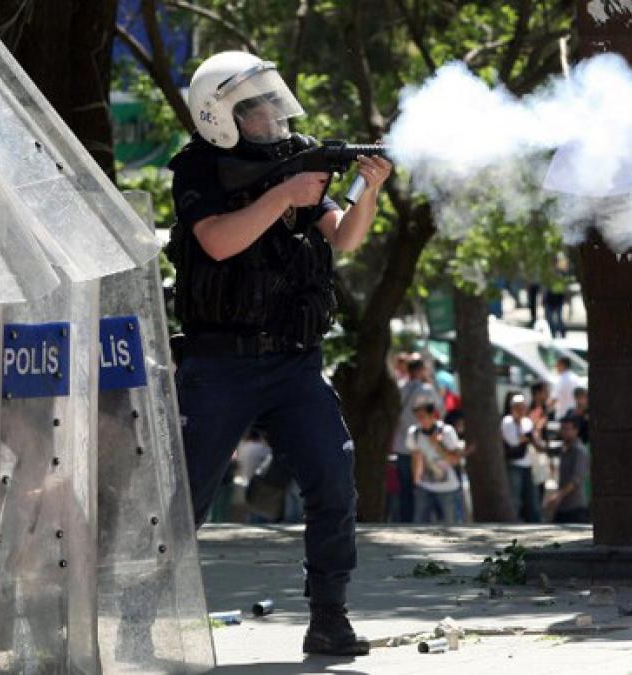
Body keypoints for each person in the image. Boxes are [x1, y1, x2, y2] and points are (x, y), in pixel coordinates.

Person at [167, 50, 392, 657]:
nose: (272, 116)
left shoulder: (294, 158)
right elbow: (215, 242)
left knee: (333, 480)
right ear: (220, 116)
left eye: (272, 102)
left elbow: (343, 235)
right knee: (184, 498)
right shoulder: (198, 170)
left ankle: (329, 616)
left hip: (294, 361)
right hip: (220, 362)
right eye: (255, 108)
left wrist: (367, 190)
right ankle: (146, 617)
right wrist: (282, 195)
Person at [393, 358, 442, 522]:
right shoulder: (426, 390)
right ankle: (421, 521)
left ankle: (405, 520)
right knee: (422, 486)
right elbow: (440, 410)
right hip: (421, 447)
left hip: (400, 445)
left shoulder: (400, 388)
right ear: (421, 370)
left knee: (405, 489)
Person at [405, 403, 462, 523]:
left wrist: (438, 445)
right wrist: (416, 481)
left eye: (422, 416)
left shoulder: (447, 432)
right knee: (420, 523)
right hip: (424, 487)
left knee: (452, 523)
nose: (419, 420)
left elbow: (455, 460)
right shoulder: (414, 433)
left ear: (432, 415)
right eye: (417, 416)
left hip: (448, 488)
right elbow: (415, 457)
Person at [502, 393, 544, 522]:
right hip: (514, 465)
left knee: (532, 497)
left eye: (523, 407)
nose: (521, 410)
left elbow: (534, 441)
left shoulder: (527, 422)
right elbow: (513, 443)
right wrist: (526, 438)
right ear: (512, 408)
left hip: (528, 464)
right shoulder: (507, 422)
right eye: (517, 407)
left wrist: (528, 437)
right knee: (515, 498)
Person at [543, 414, 590, 523]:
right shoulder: (563, 448)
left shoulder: (579, 451)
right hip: (562, 507)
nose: (563, 432)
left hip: (576, 508)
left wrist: (558, 495)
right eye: (562, 429)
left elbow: (576, 480)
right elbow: (545, 449)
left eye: (567, 429)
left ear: (576, 430)